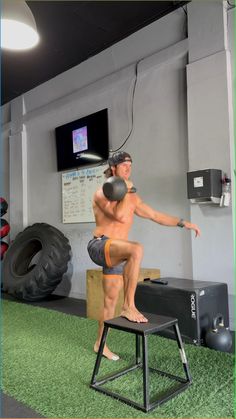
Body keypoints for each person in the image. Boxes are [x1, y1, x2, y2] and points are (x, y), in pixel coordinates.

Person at [87, 151, 201, 360]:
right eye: (124, 165)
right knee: (136, 248)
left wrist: (184, 223)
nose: (128, 168)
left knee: (109, 301)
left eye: (130, 164)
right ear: (113, 168)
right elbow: (120, 216)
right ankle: (129, 306)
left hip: (117, 252)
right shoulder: (102, 193)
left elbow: (156, 216)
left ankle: (100, 344)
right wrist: (127, 190)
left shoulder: (131, 197)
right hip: (100, 245)